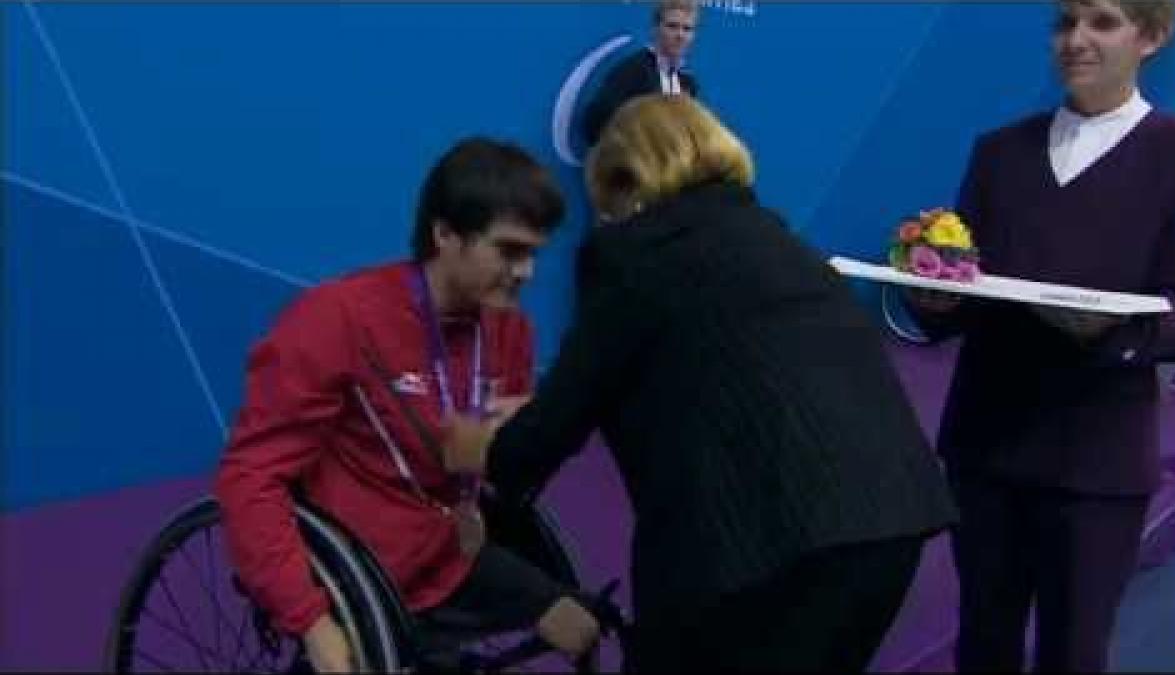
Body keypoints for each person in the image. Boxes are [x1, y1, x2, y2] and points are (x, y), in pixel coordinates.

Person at [446, 95, 957, 672]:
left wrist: (482, 449)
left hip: (762, 549)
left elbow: (553, 425)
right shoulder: (776, 239)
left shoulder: (632, 255)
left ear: (624, 179)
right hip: (890, 522)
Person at [214, 137, 601, 673]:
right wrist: (310, 622)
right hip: (362, 570)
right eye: (509, 251)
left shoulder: (510, 329)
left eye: (534, 254)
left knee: (580, 626)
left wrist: (507, 443)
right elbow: (250, 477)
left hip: (451, 553)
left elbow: (492, 466)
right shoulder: (336, 318)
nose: (527, 273)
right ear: (445, 235)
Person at [902, 0, 1175, 670]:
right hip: (987, 446)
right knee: (984, 644)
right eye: (1064, 22)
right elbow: (965, 290)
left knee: (1073, 653)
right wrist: (935, 301)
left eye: (1101, 22)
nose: (1075, 39)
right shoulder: (998, 152)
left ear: (1151, 36)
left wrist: (1121, 328)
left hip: (1097, 462)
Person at [581, 0, 701, 147]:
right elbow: (594, 121)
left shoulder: (688, 83)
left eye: (687, 29)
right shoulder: (632, 71)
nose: (680, 35)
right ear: (655, 29)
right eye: (672, 26)